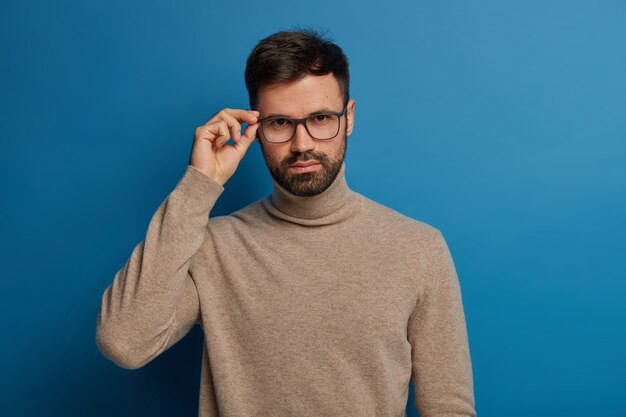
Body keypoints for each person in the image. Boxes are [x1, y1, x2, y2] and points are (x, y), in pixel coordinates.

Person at [96, 29, 476, 417]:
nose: (303, 144)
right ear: (255, 130)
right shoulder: (213, 247)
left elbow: (449, 408)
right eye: (280, 123)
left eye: (321, 118)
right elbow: (124, 342)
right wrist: (200, 185)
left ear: (349, 119)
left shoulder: (419, 248)